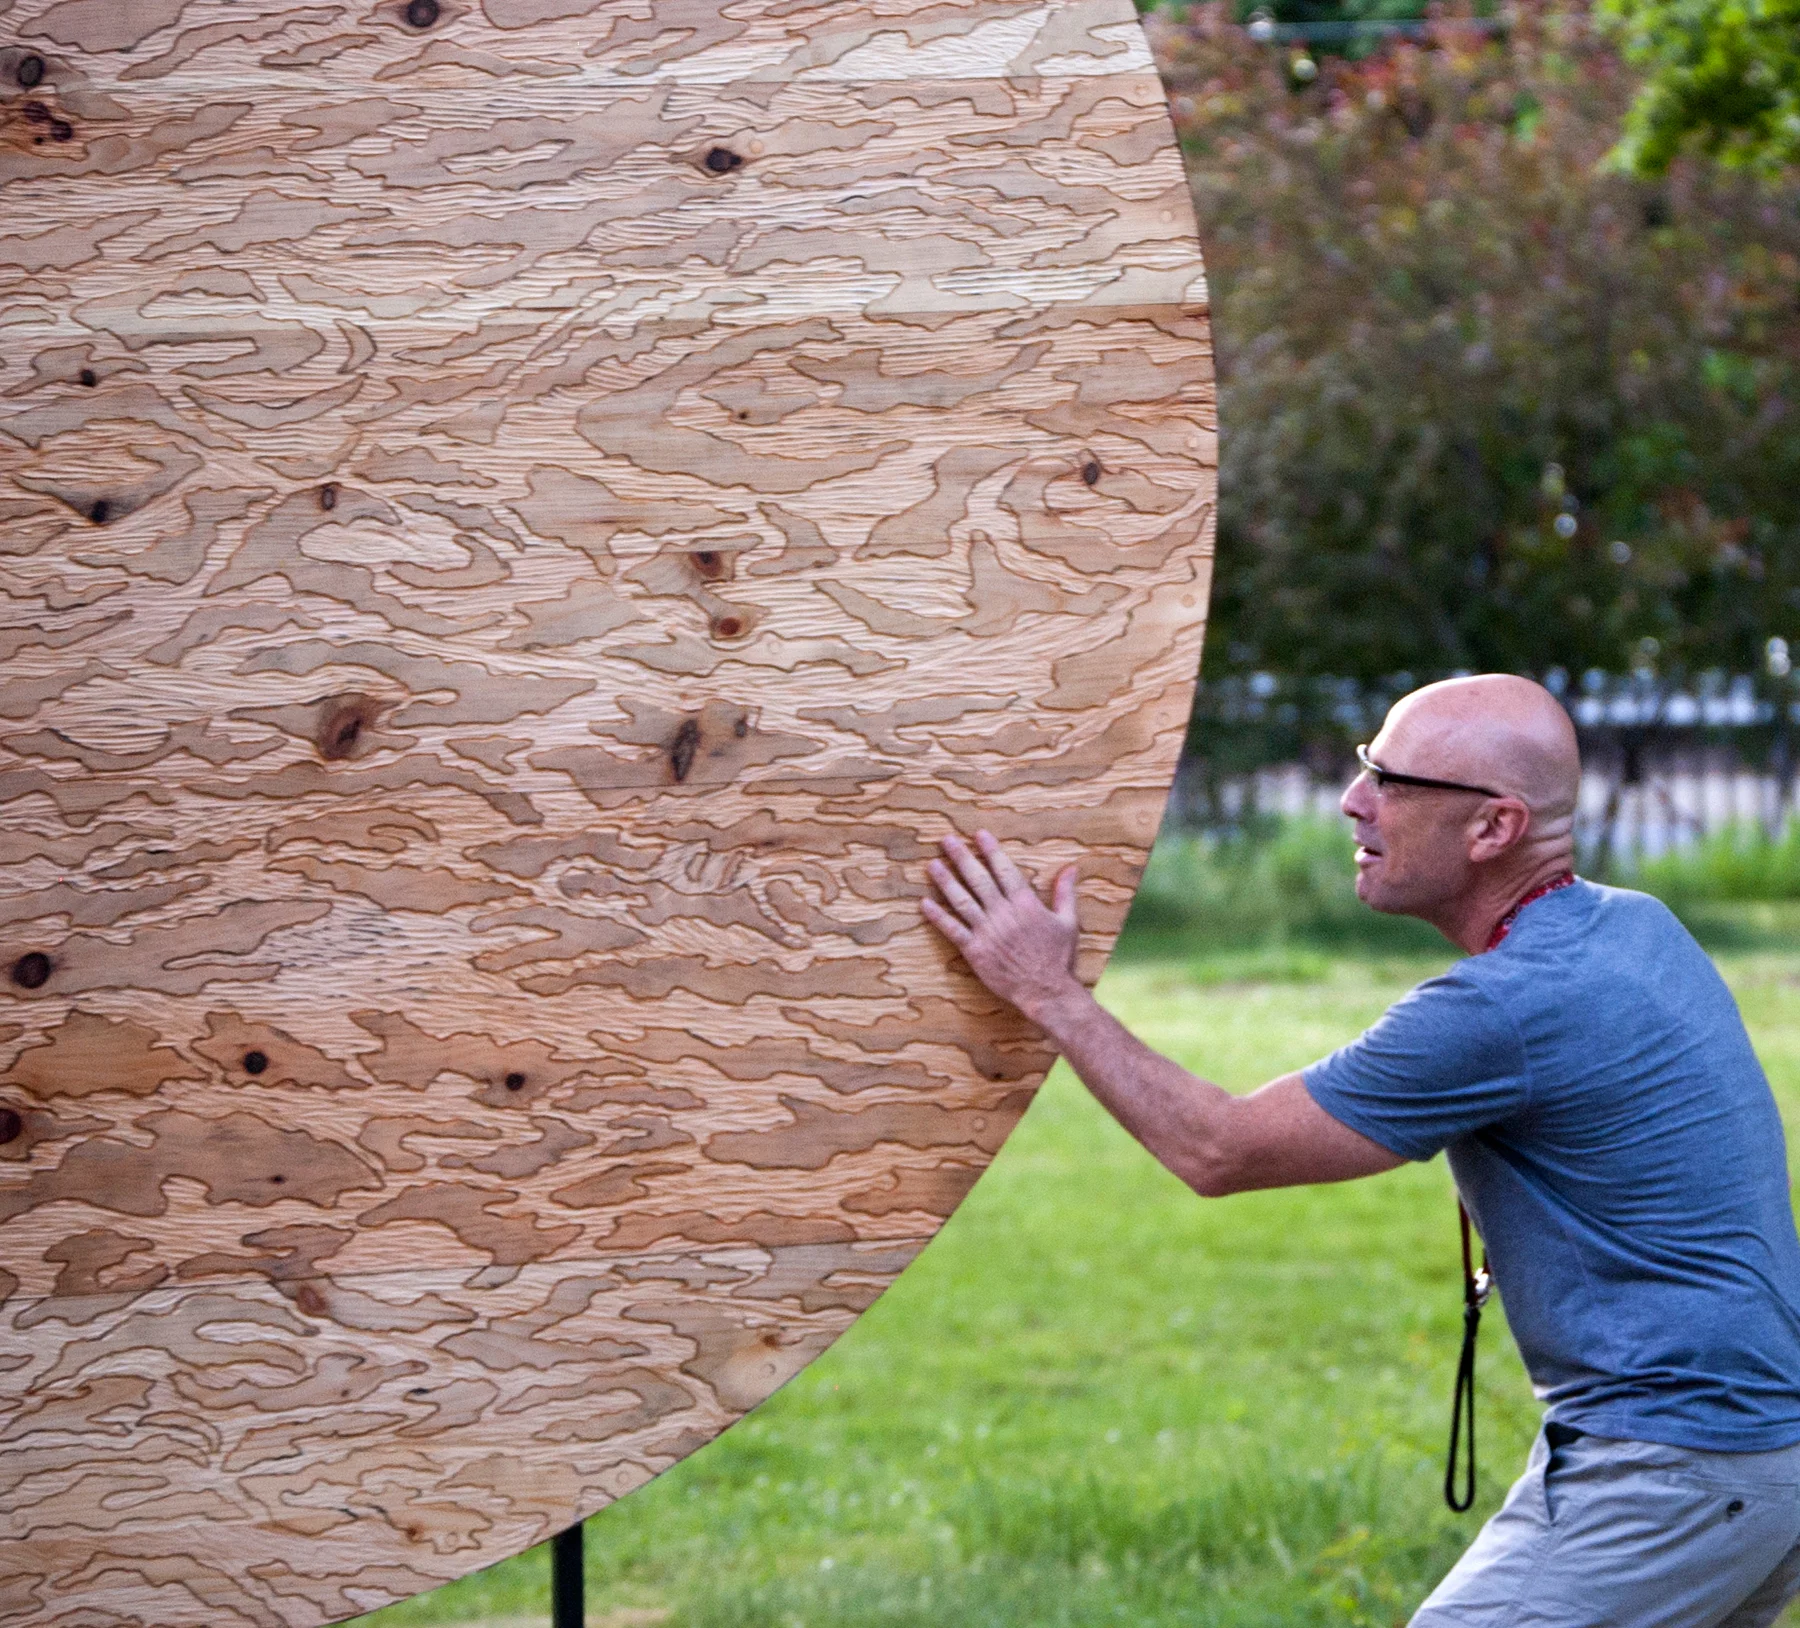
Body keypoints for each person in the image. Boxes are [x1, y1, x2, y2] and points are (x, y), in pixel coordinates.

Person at [921, 673, 1800, 1627]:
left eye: (1393, 781)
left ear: (1494, 828)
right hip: (1758, 1455)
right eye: (1364, 767)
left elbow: (1217, 1147)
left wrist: (1045, 989)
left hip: (1676, 1468)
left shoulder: (1504, 1007)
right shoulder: (1636, 926)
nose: (1353, 799)